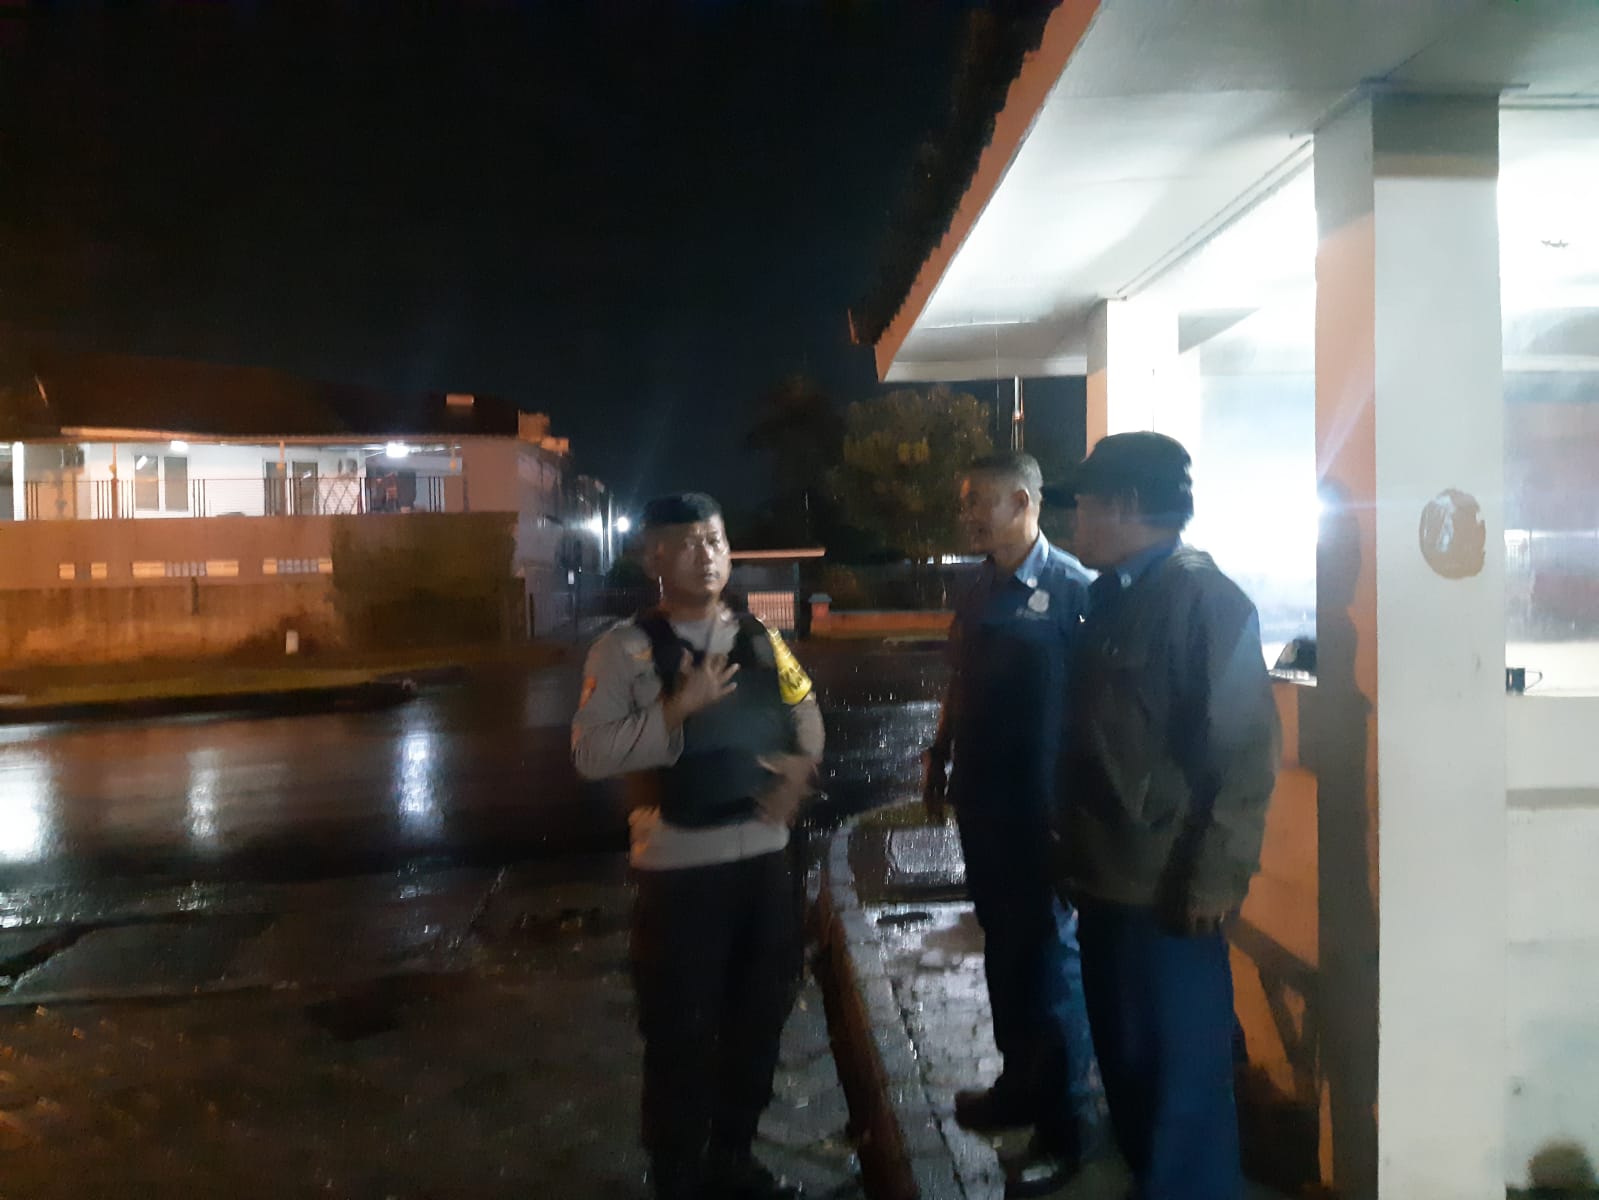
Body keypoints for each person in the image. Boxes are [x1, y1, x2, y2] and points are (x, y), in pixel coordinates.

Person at [571, 492, 824, 1200]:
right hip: (679, 875)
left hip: (764, 865)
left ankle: (733, 1157)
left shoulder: (762, 639)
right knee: (680, 1034)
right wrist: (678, 707)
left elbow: (805, 712)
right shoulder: (622, 651)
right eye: (686, 543)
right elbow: (591, 754)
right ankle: (677, 1174)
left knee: (758, 1022)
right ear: (653, 556)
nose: (705, 555)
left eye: (714, 540)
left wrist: (798, 775)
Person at [1049, 432, 1280, 1200]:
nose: (1072, 522)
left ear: (1122, 505)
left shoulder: (1201, 600)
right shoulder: (1112, 597)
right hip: (1106, 880)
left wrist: (1216, 876)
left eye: (1081, 505)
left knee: (1179, 1077)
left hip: (1167, 890)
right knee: (1128, 1065)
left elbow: (1242, 754)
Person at [923, 452, 1107, 1198]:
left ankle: (1068, 1128)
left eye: (980, 502)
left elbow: (1098, 712)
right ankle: (1018, 1087)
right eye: (965, 501)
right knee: (1004, 949)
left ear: (1024, 503)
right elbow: (960, 680)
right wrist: (939, 753)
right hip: (984, 801)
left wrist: (1081, 809)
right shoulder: (977, 586)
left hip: (1045, 812)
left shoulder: (1074, 590)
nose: (967, 515)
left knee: (1050, 962)